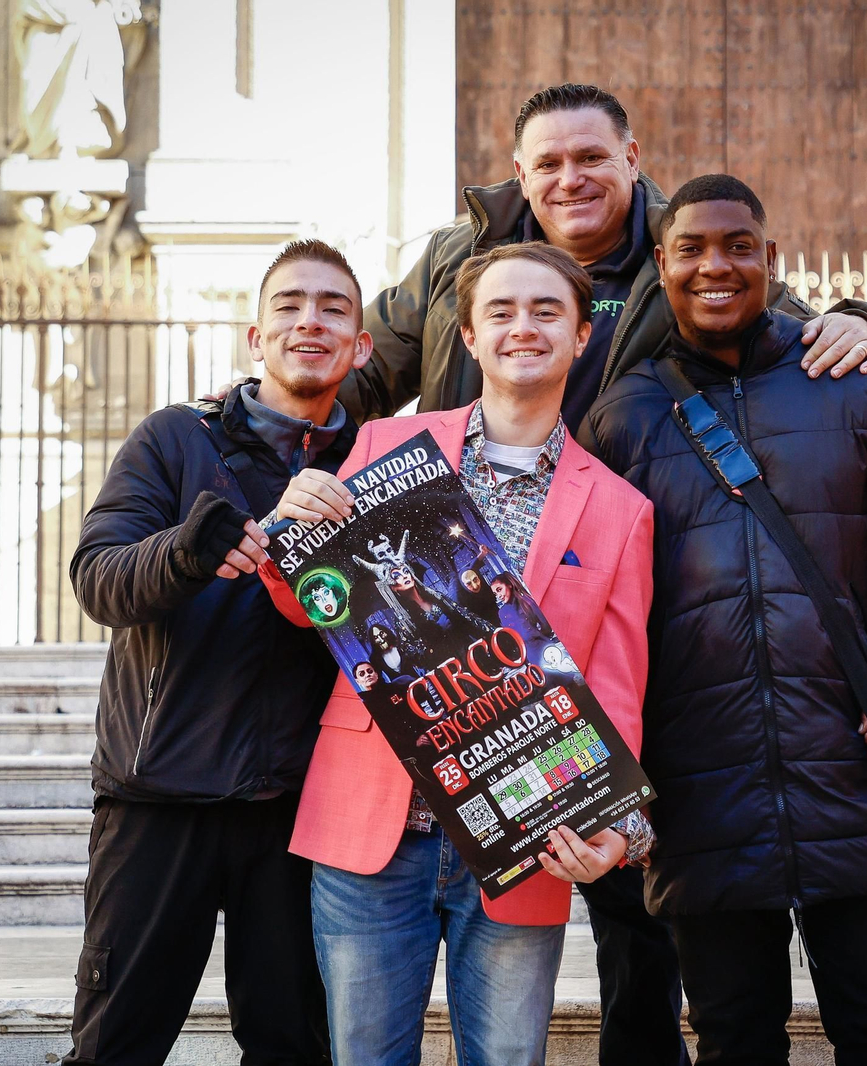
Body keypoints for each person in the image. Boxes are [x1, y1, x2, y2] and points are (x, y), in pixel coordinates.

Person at [341, 84, 867, 1064]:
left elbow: (787, 324)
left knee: (641, 927)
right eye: (548, 162)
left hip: (627, 602)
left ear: (633, 158)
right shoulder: (452, 260)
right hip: (471, 634)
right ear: (519, 174)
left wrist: (862, 319)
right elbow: (360, 376)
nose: (570, 178)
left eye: (590, 158)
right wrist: (266, 438)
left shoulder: (684, 249)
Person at [582, 175, 867, 1065]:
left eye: (737, 246)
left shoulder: (855, 383)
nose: (714, 266)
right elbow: (591, 606)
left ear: (771, 259)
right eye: (691, 249)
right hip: (699, 784)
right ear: (662, 264)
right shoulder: (623, 418)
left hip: (854, 762)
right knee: (733, 1041)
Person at [263, 241, 656, 1065]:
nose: (524, 327)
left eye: (546, 310)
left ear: (582, 335)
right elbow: (310, 606)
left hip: (525, 837)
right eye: (501, 311)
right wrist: (287, 531)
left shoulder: (621, 511)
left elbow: (614, 687)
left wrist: (618, 824)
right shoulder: (386, 446)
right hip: (372, 829)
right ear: (469, 338)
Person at [63, 238, 376, 1066]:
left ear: (362, 344)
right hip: (161, 793)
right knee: (115, 1045)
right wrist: (183, 553)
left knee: (292, 1047)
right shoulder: (174, 438)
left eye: (333, 308)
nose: (310, 321)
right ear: (255, 335)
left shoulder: (375, 463)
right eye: (289, 305)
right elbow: (97, 579)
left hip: (298, 811)